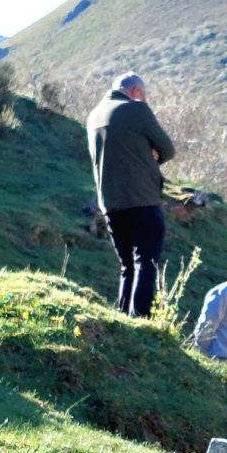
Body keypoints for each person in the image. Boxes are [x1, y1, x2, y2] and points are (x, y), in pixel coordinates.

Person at [86, 72, 175, 317]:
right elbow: (167, 148)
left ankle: (124, 317)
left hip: (111, 204)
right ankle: (141, 319)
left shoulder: (93, 116)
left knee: (127, 266)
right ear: (136, 91)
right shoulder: (136, 109)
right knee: (146, 263)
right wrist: (155, 154)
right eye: (144, 96)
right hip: (143, 199)